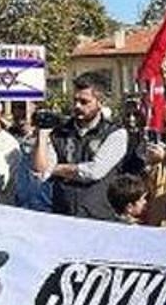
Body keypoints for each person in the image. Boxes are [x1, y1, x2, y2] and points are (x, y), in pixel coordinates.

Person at [33, 74, 129, 219]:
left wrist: (56, 169)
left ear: (100, 102)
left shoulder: (115, 133)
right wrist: (42, 136)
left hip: (99, 216)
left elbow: (95, 171)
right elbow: (41, 173)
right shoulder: (60, 133)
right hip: (64, 215)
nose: (77, 106)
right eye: (75, 100)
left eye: (84, 102)